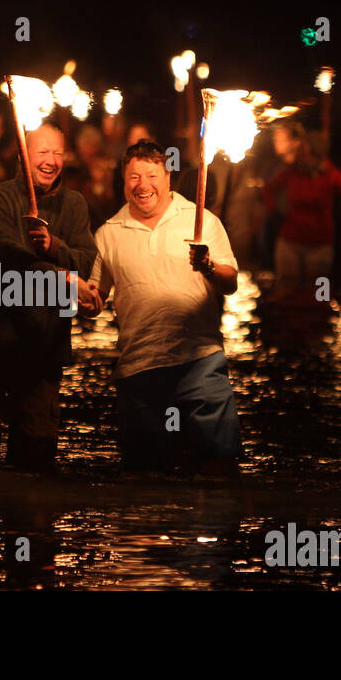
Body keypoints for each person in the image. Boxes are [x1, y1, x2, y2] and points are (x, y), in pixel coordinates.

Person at [78, 140, 241, 476]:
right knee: (146, 475)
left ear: (168, 178)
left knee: (218, 464)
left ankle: (212, 524)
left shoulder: (201, 220)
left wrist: (208, 265)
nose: (143, 185)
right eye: (133, 177)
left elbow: (230, 282)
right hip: (140, 367)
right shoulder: (108, 233)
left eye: (151, 175)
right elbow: (94, 299)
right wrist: (81, 297)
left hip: (200, 361)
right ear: (124, 182)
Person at [0, 123, 98, 474]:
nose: (51, 161)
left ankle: (29, 527)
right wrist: (64, 278)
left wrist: (54, 246)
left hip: (44, 350)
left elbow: (86, 258)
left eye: (58, 153)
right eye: (42, 153)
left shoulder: (74, 203)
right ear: (22, 154)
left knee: (36, 458)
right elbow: (5, 259)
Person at [261, 124, 341, 300]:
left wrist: (330, 170)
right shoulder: (293, 172)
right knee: (286, 292)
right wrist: (273, 212)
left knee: (318, 295)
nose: (300, 154)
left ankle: (318, 325)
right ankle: (288, 325)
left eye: (305, 150)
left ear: (316, 152)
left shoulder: (330, 174)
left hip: (320, 244)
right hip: (290, 241)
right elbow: (268, 190)